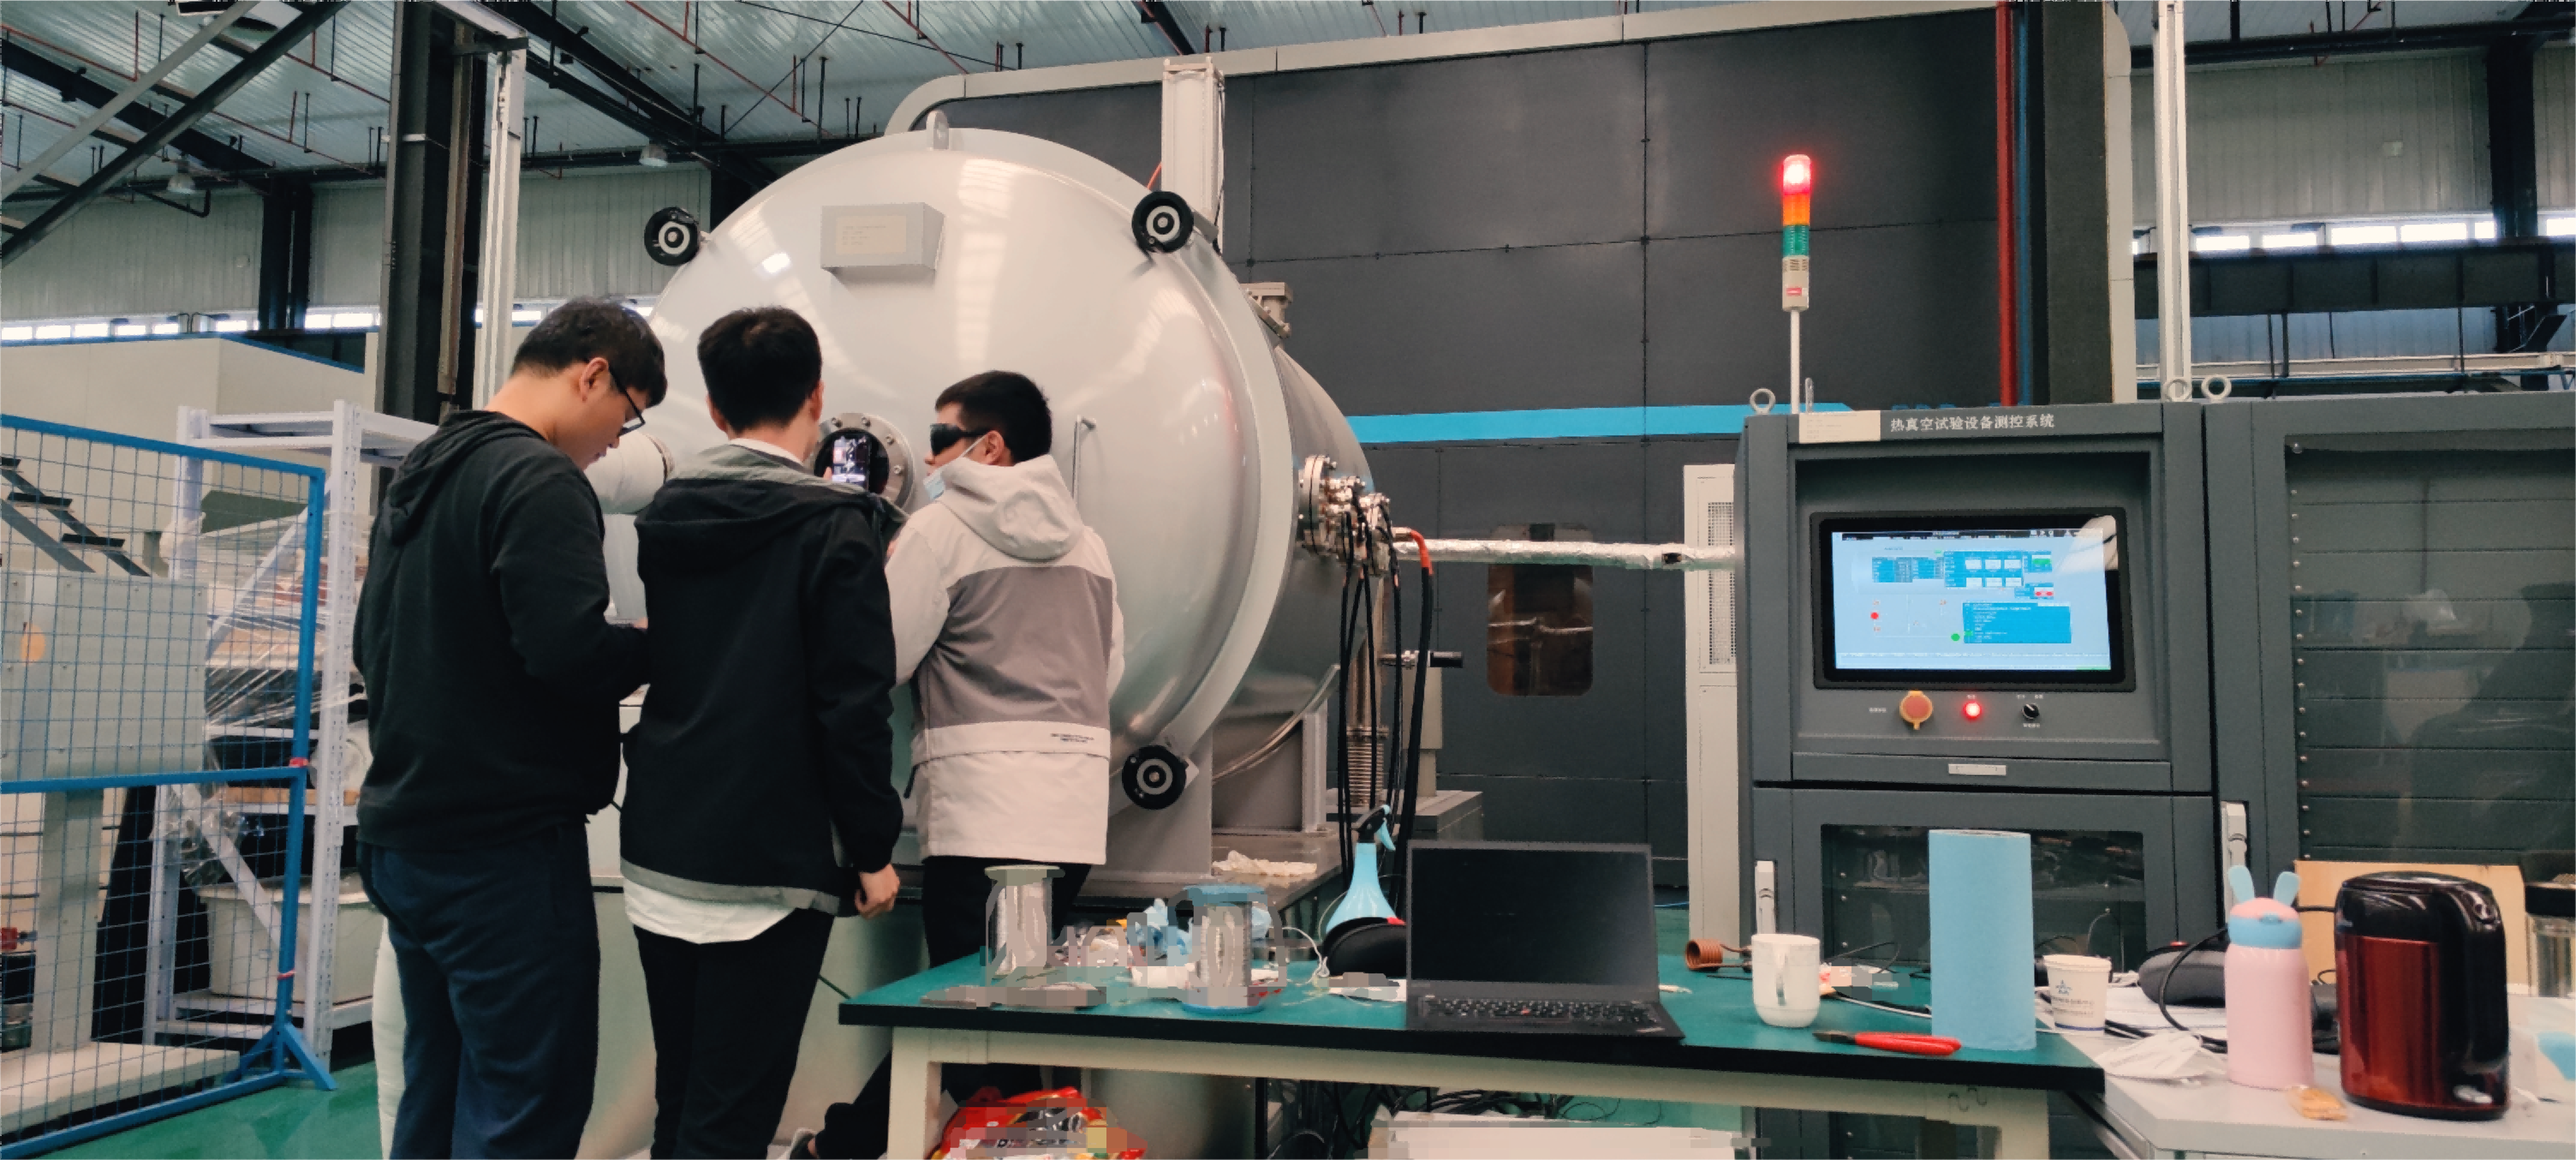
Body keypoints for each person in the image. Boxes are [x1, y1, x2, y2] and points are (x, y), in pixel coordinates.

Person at [355, 298, 662, 1160]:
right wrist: (660, 643)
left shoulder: (427, 470)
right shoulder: (540, 478)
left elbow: (372, 640)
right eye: (627, 416)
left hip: (406, 839)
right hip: (499, 852)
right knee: (525, 1103)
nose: (617, 442)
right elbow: (568, 652)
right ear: (593, 375)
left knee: (439, 1088)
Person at [804, 371, 1123, 1160]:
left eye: (941, 438)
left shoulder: (941, 531)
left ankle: (841, 1151)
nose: (928, 457)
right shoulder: (1090, 544)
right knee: (1000, 1006)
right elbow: (1108, 669)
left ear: (991, 447)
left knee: (962, 1011)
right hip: (1072, 811)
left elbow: (883, 656)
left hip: (982, 807)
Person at [621, 306, 907, 1160]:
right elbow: (852, 708)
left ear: (714, 409)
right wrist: (871, 848)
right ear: (817, 396)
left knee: (682, 1098)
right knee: (733, 1118)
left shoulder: (664, 516)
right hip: (771, 863)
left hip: (662, 847)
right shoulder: (837, 528)